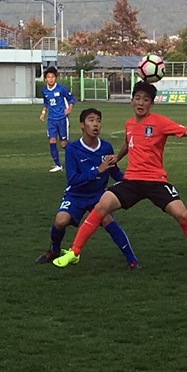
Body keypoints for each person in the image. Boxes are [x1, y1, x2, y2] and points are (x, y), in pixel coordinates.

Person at [53, 81, 187, 273]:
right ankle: (74, 252)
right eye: (137, 98)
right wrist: (117, 157)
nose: (140, 103)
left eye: (145, 99)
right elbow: (129, 143)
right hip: (132, 181)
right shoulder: (129, 124)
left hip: (156, 181)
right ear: (131, 101)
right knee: (102, 205)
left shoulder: (160, 122)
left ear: (151, 103)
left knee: (182, 214)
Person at [36, 108, 140, 270]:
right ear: (82, 125)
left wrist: (132, 180)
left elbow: (114, 172)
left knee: (108, 221)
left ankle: (132, 260)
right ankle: (54, 250)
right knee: (60, 221)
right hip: (75, 195)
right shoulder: (72, 149)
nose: (95, 124)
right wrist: (97, 170)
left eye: (98, 120)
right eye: (91, 120)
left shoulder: (106, 147)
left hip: (98, 195)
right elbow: (73, 179)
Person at [40, 66, 75, 172]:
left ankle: (76, 157)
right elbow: (46, 102)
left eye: (53, 77)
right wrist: (43, 112)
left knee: (63, 143)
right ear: (45, 79)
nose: (51, 79)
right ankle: (58, 165)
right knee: (52, 140)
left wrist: (69, 109)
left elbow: (71, 99)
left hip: (62, 119)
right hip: (51, 120)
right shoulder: (45, 91)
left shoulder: (61, 89)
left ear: (55, 78)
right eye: (48, 77)